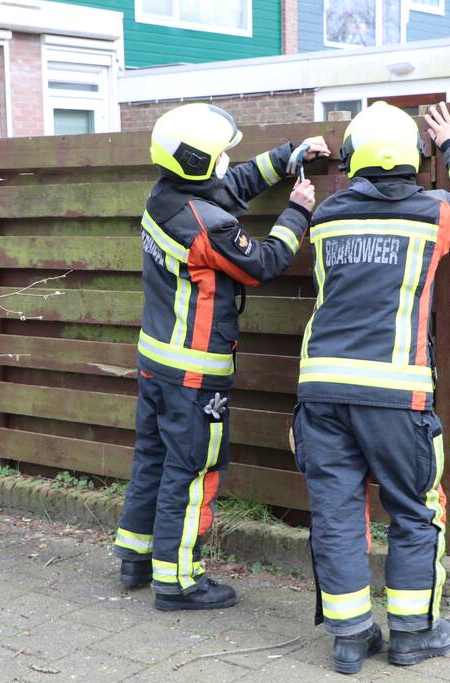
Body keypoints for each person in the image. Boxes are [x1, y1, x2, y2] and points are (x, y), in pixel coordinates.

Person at [292, 101, 450, 673]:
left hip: (322, 390)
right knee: (413, 511)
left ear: (352, 159)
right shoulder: (432, 213)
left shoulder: (326, 217)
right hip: (396, 394)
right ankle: (412, 635)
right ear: (413, 158)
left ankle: (350, 639)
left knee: (335, 513)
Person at [114, 103, 330, 611]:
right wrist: (297, 209)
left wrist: (287, 156)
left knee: (153, 458)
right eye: (219, 155)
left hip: (156, 362)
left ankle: (136, 557)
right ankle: (178, 582)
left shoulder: (164, 198)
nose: (226, 162)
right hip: (195, 371)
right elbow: (266, 262)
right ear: (199, 162)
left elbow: (227, 186)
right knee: (192, 471)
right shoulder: (207, 227)